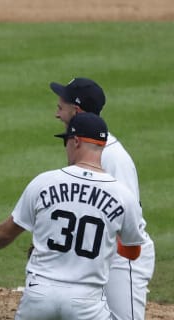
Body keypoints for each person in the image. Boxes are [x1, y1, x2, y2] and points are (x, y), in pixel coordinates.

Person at [0, 113, 145, 319]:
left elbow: (6, 232)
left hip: (40, 295)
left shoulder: (44, 182)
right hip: (86, 302)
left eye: (66, 142)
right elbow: (132, 252)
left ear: (76, 141)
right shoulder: (123, 195)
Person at [50, 77, 155, 320]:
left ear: (75, 111)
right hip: (98, 254)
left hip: (123, 257)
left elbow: (129, 219)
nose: (57, 114)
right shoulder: (87, 147)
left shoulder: (110, 156)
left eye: (60, 107)